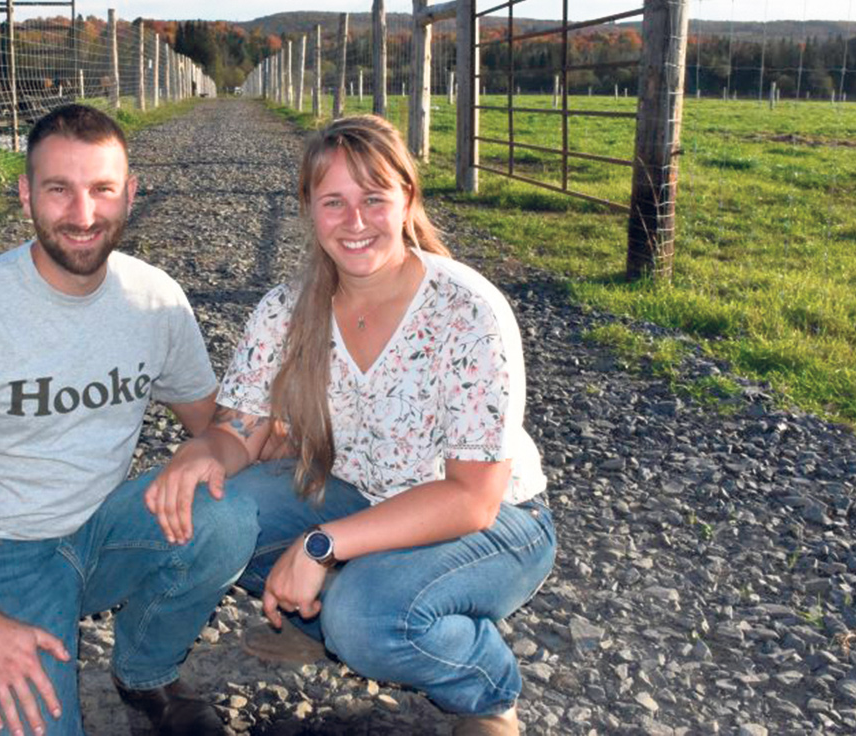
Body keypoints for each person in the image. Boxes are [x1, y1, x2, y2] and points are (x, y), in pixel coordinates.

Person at [145, 114, 556, 736]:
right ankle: (320, 622)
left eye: (373, 199)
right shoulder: (287, 308)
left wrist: (322, 546)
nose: (355, 221)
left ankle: (485, 692)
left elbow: (472, 499)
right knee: (215, 512)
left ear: (407, 199)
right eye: (333, 201)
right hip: (362, 497)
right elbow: (240, 429)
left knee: (367, 618)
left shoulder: (466, 308)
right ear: (309, 208)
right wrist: (208, 453)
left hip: (498, 521)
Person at [0, 103, 256, 736]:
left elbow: (214, 420)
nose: (82, 215)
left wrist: (264, 429)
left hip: (104, 533)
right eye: (58, 190)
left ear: (130, 193)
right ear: (25, 195)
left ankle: (146, 672)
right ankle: (4, 631)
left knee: (227, 514)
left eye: (102, 189)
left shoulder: (154, 300)